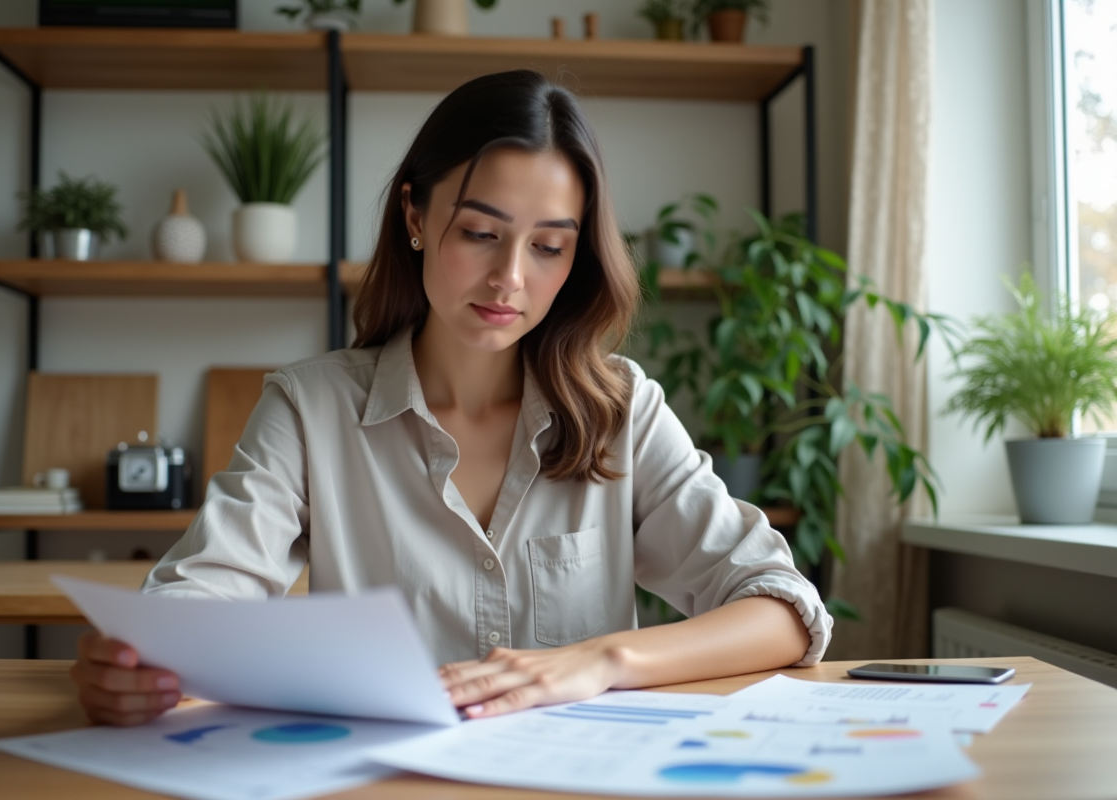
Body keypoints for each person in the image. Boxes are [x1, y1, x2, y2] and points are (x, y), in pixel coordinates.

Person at [70, 70, 832, 727]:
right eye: (479, 233)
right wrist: (137, 664)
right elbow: (200, 600)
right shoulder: (311, 409)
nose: (510, 278)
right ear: (415, 216)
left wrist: (596, 661)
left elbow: (784, 609)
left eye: (549, 246)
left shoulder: (620, 412)